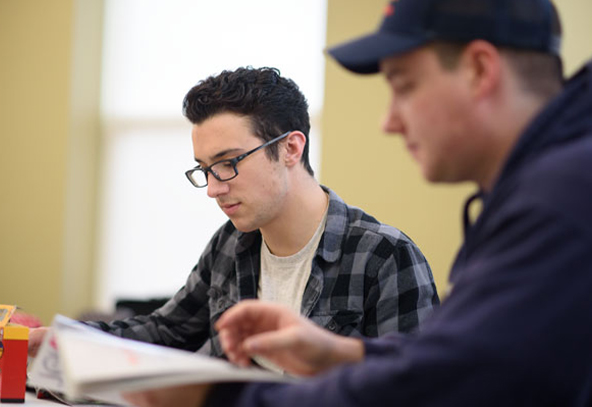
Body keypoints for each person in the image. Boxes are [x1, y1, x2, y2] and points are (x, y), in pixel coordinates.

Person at [123, 0, 592, 405]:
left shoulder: (573, 197)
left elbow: (446, 392)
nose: (389, 120)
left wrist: (223, 399)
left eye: (404, 86)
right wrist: (349, 353)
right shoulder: (575, 172)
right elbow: (467, 355)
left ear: (480, 70)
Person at [27, 67, 439, 363]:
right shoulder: (231, 242)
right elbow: (166, 331)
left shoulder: (385, 256)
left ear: (292, 148)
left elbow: (415, 387)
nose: (213, 187)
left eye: (228, 162)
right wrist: (63, 338)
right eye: (204, 169)